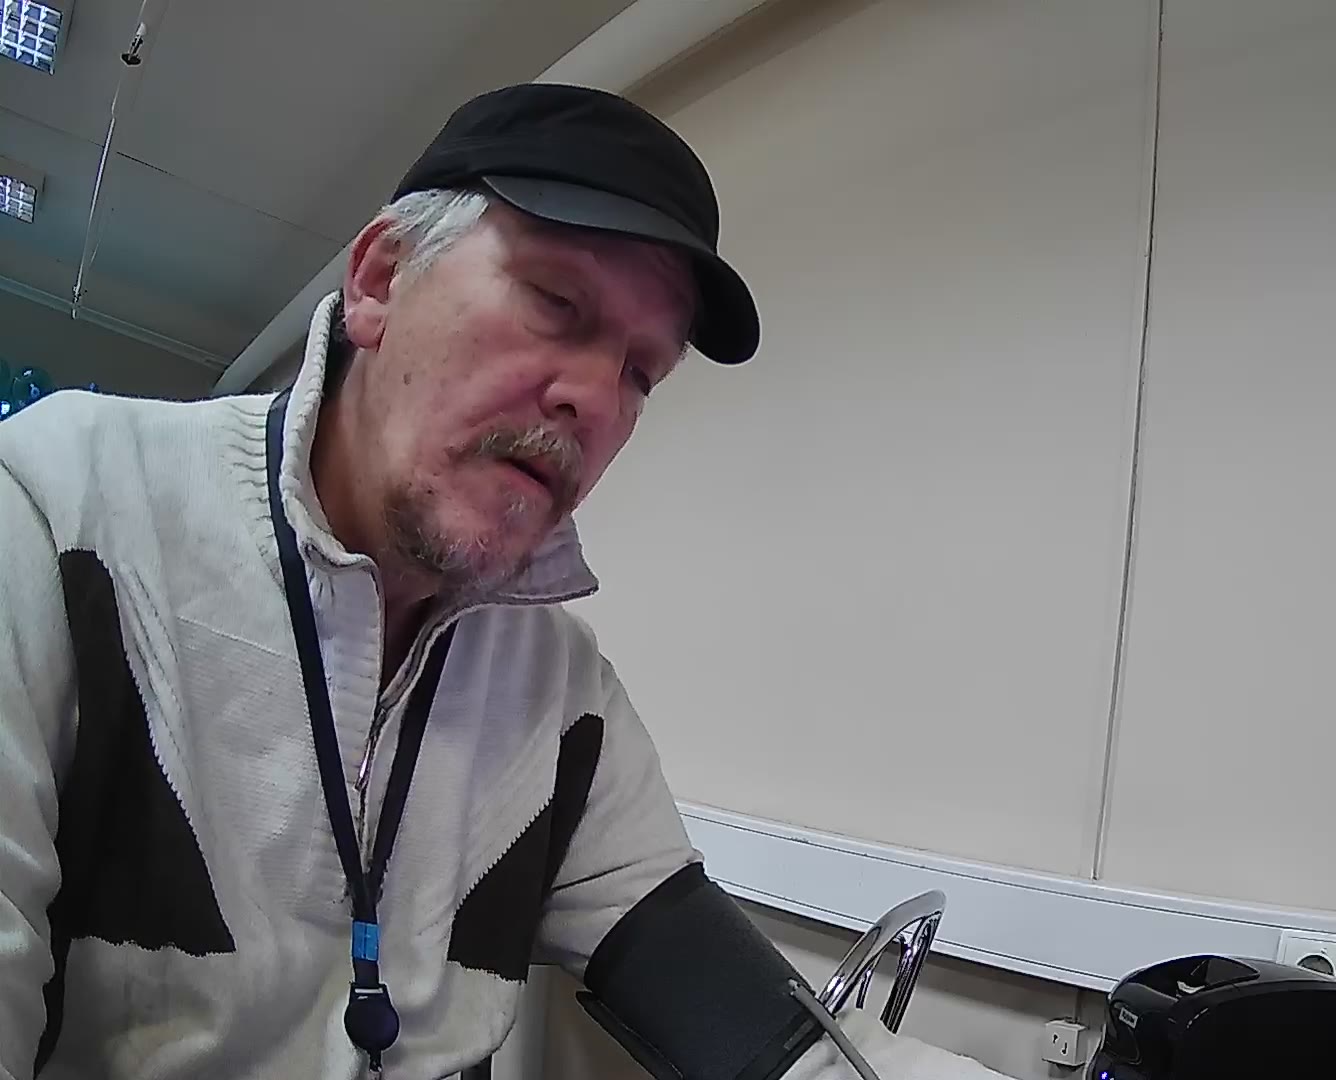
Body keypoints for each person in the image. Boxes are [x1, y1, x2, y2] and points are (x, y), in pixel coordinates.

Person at [0, 84, 847, 1080]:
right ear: (380, 278)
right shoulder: (60, 507)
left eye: (640, 374)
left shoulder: (560, 688)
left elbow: (751, 1027)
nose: (593, 400)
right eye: (556, 302)